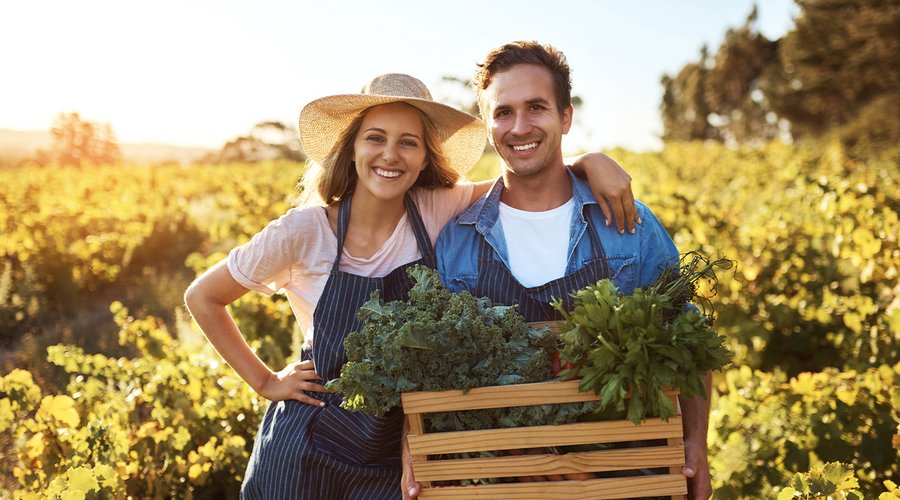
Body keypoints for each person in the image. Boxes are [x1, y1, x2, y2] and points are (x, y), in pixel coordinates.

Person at [184, 72, 639, 499]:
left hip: (393, 449)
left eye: (408, 142)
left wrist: (588, 162)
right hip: (308, 444)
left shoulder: (435, 209)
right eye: (375, 138)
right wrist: (265, 381)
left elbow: (523, 179)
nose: (390, 155)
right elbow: (203, 296)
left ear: (424, 159)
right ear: (352, 149)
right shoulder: (304, 231)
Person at [403, 42, 713, 500]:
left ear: (565, 117)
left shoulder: (628, 225)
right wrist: (417, 451)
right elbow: (439, 377)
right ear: (489, 126)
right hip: (507, 484)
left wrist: (695, 445)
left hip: (628, 477)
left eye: (536, 108)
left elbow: (688, 340)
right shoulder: (459, 239)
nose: (519, 126)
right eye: (503, 112)